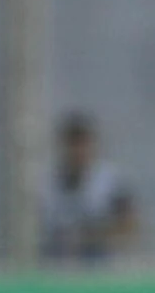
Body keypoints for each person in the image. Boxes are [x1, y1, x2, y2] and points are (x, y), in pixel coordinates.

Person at [42, 112, 138, 264]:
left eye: (82, 145)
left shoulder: (109, 182)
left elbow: (128, 225)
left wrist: (89, 236)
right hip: (59, 266)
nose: (78, 152)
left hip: (99, 266)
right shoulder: (49, 183)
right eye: (73, 145)